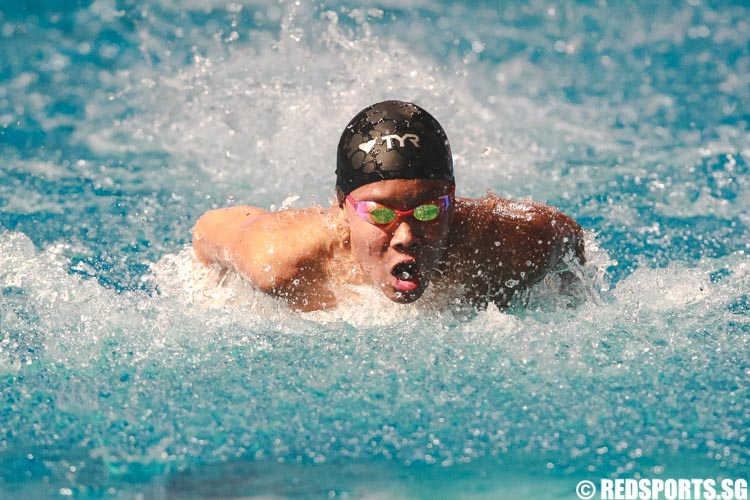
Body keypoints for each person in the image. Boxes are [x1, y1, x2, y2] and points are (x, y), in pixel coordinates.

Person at [192, 100, 585, 312]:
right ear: (342, 206)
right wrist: (213, 302)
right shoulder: (277, 258)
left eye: (429, 210)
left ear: (453, 198)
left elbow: (569, 239)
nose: (407, 236)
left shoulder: (512, 243)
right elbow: (207, 232)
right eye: (380, 214)